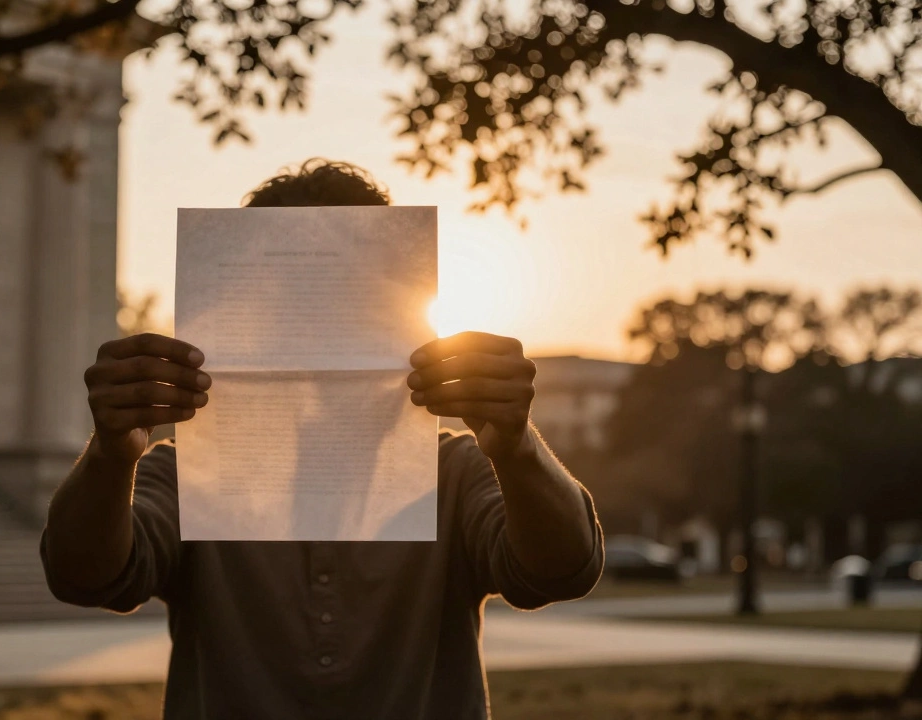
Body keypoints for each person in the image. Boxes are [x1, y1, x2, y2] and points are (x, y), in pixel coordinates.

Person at [41, 159, 604, 720]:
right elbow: (86, 578)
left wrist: (516, 445)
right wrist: (111, 455)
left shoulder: (454, 470)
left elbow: (562, 571)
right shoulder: (185, 472)